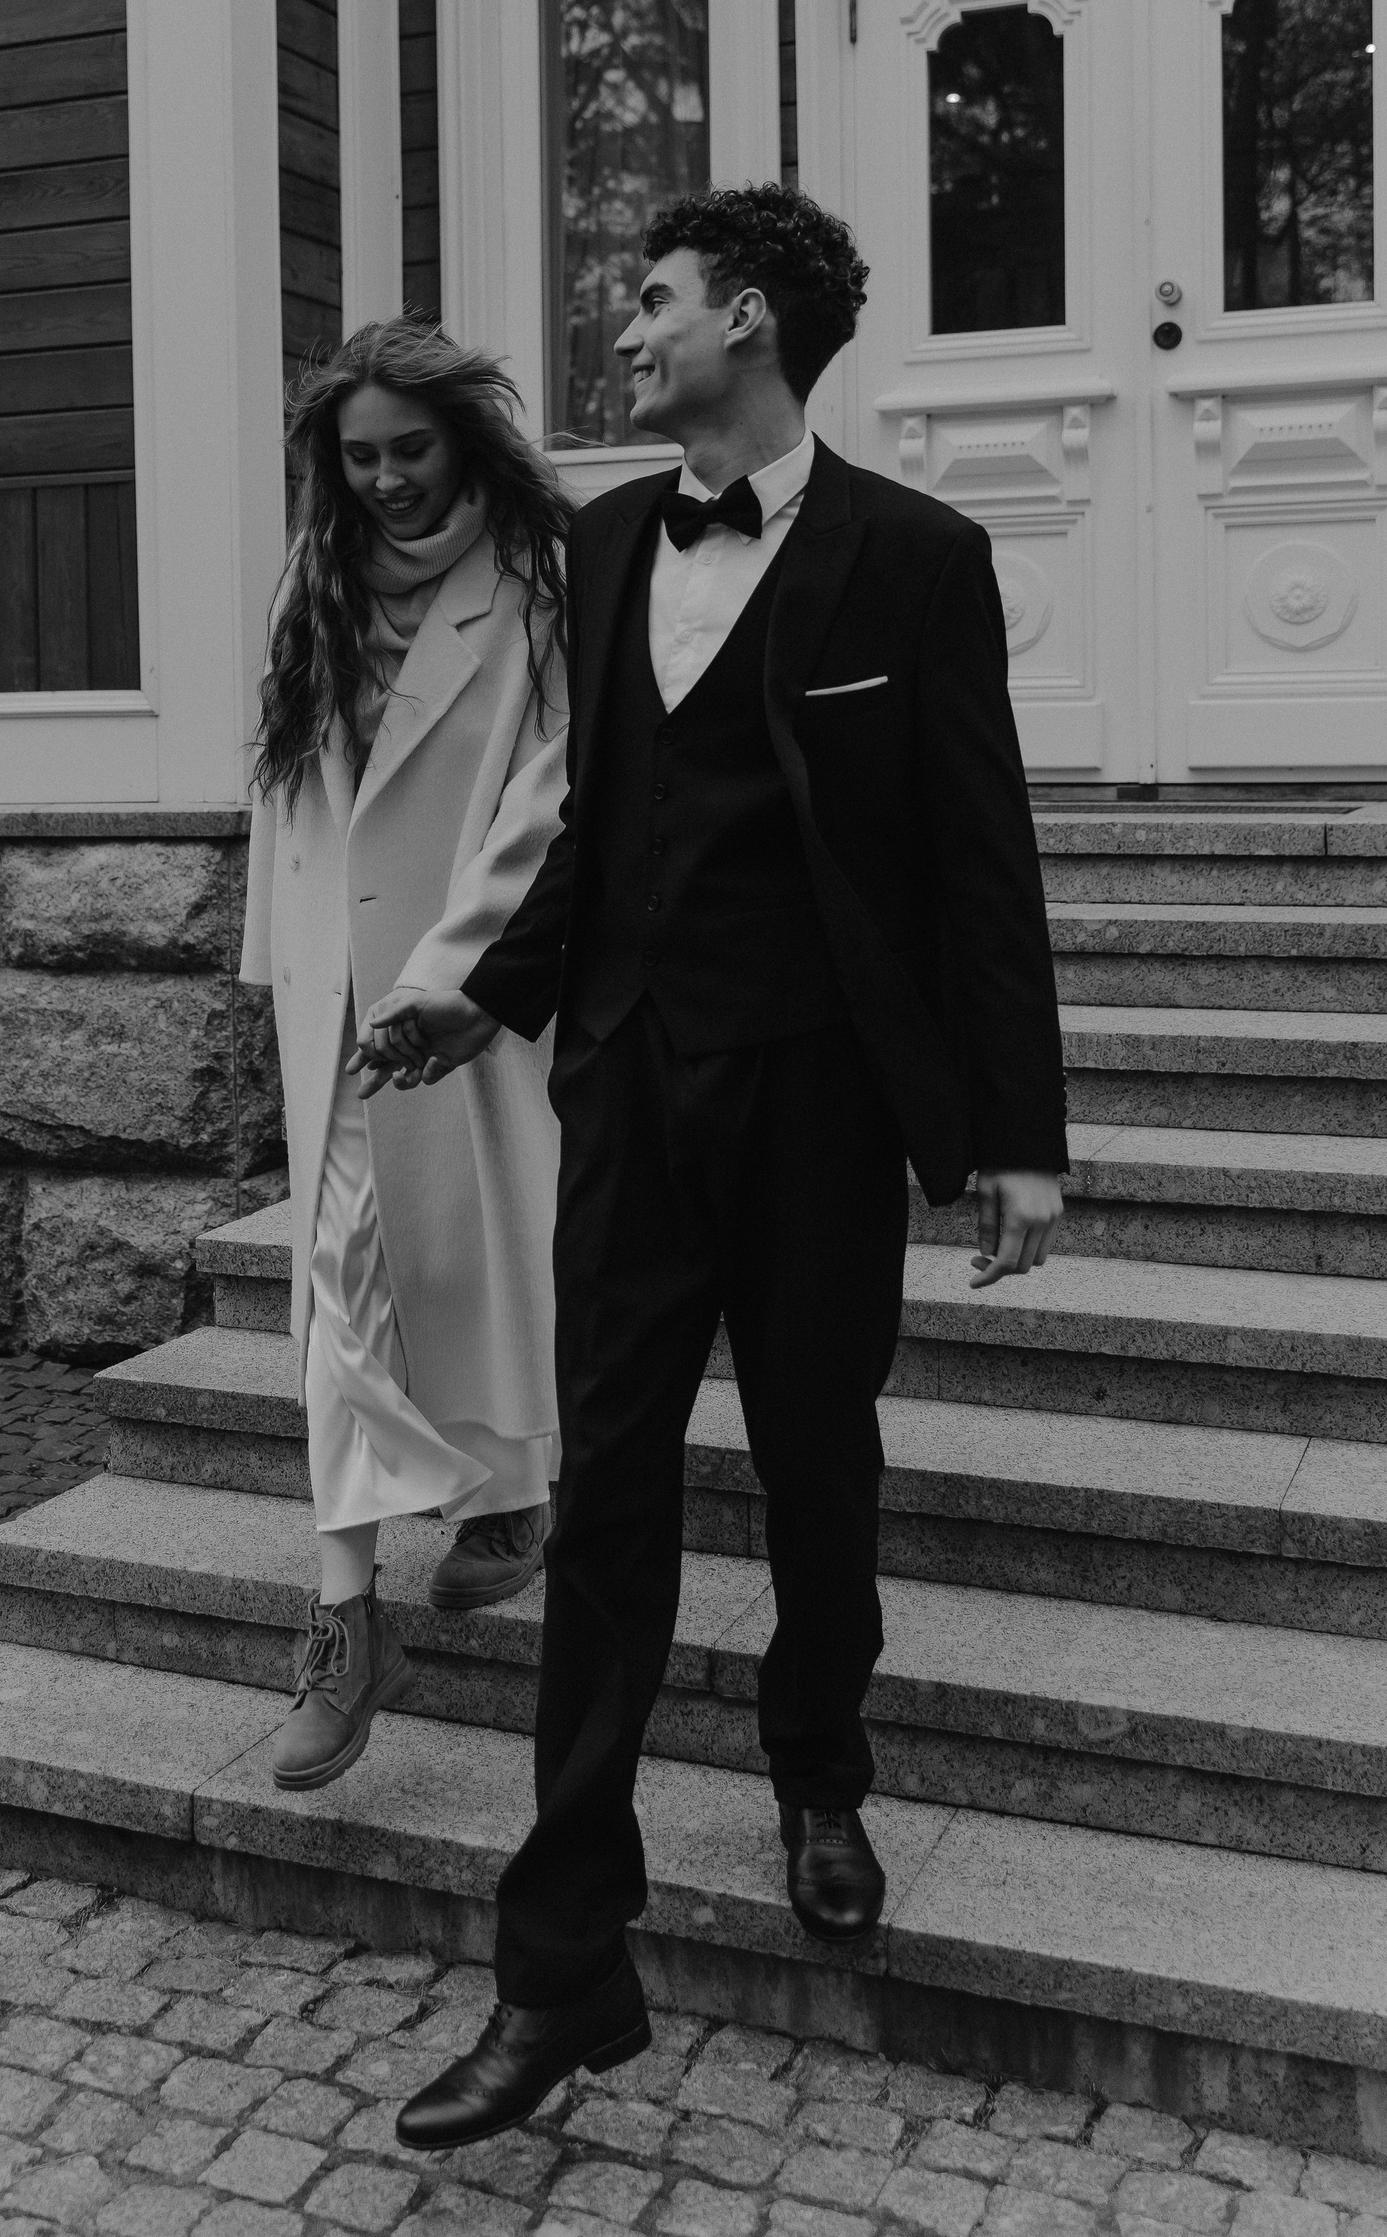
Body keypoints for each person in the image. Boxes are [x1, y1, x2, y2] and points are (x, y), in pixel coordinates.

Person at [356, 184, 1068, 2147]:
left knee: (820, 1463)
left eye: (656, 296)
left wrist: (1018, 1135)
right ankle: (561, 1967)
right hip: (631, 1094)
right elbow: (597, 823)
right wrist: (487, 998)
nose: (628, 326)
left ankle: (819, 1771)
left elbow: (980, 859)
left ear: (745, 318)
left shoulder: (918, 559)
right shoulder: (603, 543)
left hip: (825, 1100)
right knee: (607, 1506)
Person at [240, 315, 573, 1796]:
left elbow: (551, 798)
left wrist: (461, 975)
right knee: (340, 1283)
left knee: (474, 1251)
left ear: (467, 440)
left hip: (470, 984)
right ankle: (344, 1615)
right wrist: (277, 966)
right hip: (335, 994)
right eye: (360, 455)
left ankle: (512, 1488)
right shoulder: (311, 581)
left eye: (411, 449)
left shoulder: (537, 585)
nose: (385, 480)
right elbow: (284, 795)